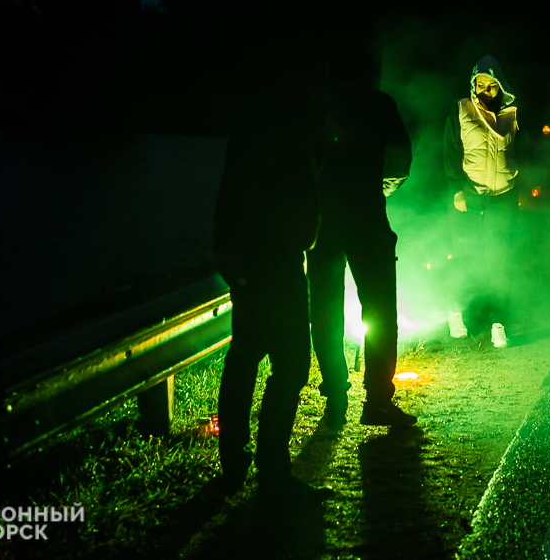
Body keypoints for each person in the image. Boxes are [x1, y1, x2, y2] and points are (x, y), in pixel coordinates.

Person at [212, 54, 333, 506]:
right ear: (294, 74)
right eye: (314, 79)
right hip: (271, 254)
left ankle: (237, 460)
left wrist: (227, 245)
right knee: (290, 361)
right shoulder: (276, 117)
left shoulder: (272, 113)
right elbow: (254, 184)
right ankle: (270, 468)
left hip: (262, 252)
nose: (319, 89)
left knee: (247, 354)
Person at [307, 48, 417, 428]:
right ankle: (378, 402)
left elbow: (297, 164)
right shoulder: (379, 103)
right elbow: (400, 162)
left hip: (321, 224)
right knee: (380, 308)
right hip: (367, 219)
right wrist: (375, 192)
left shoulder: (315, 103)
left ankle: (335, 393)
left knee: (325, 310)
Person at [443, 54, 528, 346]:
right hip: (469, 198)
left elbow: (522, 151)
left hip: (503, 197)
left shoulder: (511, 114)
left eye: (490, 86)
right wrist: (457, 188)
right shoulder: (460, 109)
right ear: (473, 84)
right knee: (466, 260)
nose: (484, 91)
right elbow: (450, 150)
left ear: (500, 85)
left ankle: (498, 324)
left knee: (500, 263)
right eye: (480, 85)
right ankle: (456, 312)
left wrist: (521, 187)